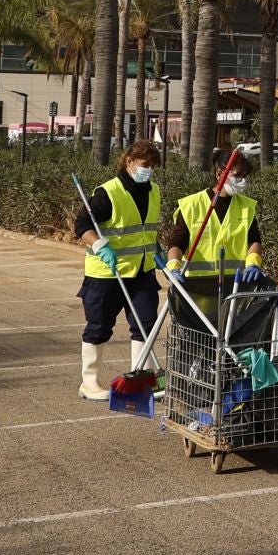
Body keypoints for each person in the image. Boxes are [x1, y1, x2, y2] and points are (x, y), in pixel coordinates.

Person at [73, 141, 167, 401]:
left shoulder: (154, 191)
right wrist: (100, 244)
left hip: (141, 271)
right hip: (106, 273)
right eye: (144, 165)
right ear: (129, 162)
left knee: (146, 324)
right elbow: (81, 225)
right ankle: (89, 383)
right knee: (99, 326)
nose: (148, 171)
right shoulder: (108, 192)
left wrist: (157, 250)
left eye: (152, 167)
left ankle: (140, 380)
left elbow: (145, 228)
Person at [161, 150, 265, 330]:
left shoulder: (246, 206)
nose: (242, 181)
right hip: (197, 289)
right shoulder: (192, 205)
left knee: (229, 343)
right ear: (219, 173)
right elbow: (177, 242)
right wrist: (173, 266)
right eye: (237, 175)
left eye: (244, 176)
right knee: (196, 343)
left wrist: (253, 263)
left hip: (234, 289)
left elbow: (254, 240)